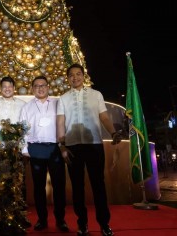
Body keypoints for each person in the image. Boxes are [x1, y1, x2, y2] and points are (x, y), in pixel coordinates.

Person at [56, 64, 122, 236]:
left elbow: (104, 116)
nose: (75, 78)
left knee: (98, 185)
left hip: (94, 145)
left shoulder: (96, 95)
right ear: (67, 78)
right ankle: (82, 224)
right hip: (72, 147)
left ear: (83, 76)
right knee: (77, 187)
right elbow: (61, 122)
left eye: (78, 74)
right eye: (71, 75)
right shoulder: (63, 98)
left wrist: (113, 132)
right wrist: (62, 146)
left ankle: (104, 224)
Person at [19, 76, 68, 232]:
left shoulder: (58, 104)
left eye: (43, 85)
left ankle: (60, 220)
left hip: (55, 149)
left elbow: (64, 125)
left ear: (48, 87)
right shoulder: (26, 108)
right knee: (38, 187)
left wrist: (64, 147)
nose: (40, 88)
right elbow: (22, 130)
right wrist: (25, 150)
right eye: (36, 86)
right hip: (36, 149)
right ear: (32, 89)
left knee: (59, 186)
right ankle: (42, 219)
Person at [0, 76, 31, 228]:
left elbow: (26, 128)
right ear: (0, 89)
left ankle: (20, 216)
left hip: (17, 149)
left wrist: (25, 149)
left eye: (10, 86)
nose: (7, 89)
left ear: (14, 87)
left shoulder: (22, 105)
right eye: (4, 86)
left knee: (19, 183)